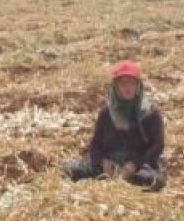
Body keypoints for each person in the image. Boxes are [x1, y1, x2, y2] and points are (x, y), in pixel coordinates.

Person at [63, 60, 166, 191]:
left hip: (139, 165)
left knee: (153, 181)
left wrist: (135, 165)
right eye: (123, 83)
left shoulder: (151, 113)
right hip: (111, 163)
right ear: (116, 86)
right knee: (71, 170)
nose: (127, 87)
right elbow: (95, 144)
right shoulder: (106, 113)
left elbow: (157, 146)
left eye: (131, 82)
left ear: (138, 86)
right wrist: (103, 161)